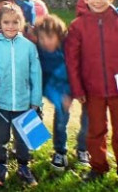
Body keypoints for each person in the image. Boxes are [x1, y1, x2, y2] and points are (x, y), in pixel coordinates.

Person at [0, 3, 42, 187]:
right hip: (0, 103)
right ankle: (1, 166)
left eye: (15, 22)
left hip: (24, 102)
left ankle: (24, 166)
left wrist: (35, 100)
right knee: (0, 137)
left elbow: (36, 74)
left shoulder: (29, 47)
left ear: (21, 23)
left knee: (24, 137)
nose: (10, 26)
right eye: (6, 22)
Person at [64, 0, 118, 181]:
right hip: (92, 90)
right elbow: (72, 61)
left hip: (117, 89)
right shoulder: (78, 26)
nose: (98, 0)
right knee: (95, 131)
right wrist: (78, 89)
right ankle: (98, 166)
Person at [35, 14, 89, 171]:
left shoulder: (69, 47)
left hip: (78, 85)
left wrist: (79, 89)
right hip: (58, 90)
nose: (46, 42)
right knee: (61, 120)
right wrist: (59, 98)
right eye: (42, 38)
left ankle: (83, 149)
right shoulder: (40, 54)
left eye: (50, 37)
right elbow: (45, 82)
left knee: (88, 120)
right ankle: (60, 151)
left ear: (60, 36)